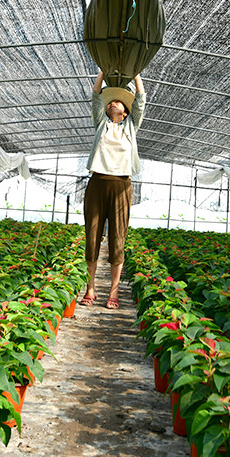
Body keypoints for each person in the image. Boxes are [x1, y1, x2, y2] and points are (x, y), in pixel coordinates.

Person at [81, 68, 145, 309]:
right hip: (97, 183)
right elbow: (96, 96)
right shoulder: (102, 125)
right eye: (111, 103)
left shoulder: (131, 127)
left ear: (126, 112)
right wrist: (102, 73)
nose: (113, 104)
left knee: (118, 238)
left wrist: (136, 74)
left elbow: (140, 102)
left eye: (118, 102)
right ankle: (91, 288)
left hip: (121, 186)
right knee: (92, 236)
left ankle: (114, 293)